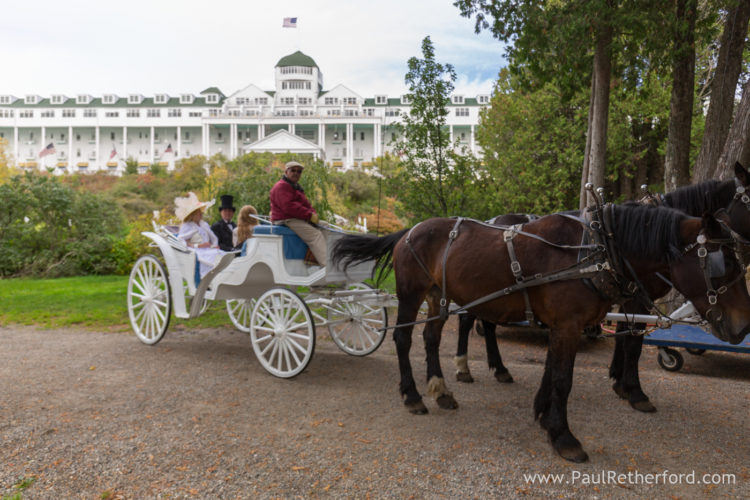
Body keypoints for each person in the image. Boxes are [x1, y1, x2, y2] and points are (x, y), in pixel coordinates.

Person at [269, 161, 327, 265]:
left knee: (325, 226)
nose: (296, 173)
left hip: (294, 217)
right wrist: (309, 216)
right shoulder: (281, 186)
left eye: (299, 171)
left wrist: (314, 215)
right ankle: (326, 264)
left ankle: (313, 259)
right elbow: (288, 207)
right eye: (293, 170)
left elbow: (306, 205)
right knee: (315, 235)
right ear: (286, 172)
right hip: (285, 219)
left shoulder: (295, 187)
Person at [175, 192, 224, 277]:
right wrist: (198, 246)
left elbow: (214, 238)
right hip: (196, 251)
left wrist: (214, 245)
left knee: (220, 254)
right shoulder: (187, 226)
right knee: (211, 257)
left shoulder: (203, 224)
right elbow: (181, 241)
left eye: (201, 212)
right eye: (199, 212)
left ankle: (223, 275)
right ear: (193, 215)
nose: (201, 213)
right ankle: (209, 277)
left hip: (208, 249)